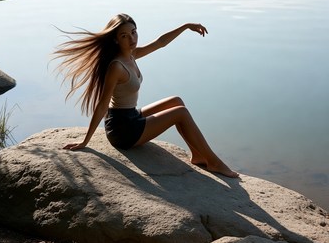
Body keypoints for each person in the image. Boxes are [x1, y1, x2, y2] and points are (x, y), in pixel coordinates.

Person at [54, 14, 238, 178]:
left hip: (131, 116)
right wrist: (86, 141)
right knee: (180, 112)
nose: (131, 39)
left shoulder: (132, 54)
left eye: (133, 32)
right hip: (122, 131)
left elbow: (160, 42)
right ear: (116, 40)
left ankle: (198, 155)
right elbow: (102, 105)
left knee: (176, 101)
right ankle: (214, 162)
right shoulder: (116, 66)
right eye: (124, 36)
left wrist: (186, 26)